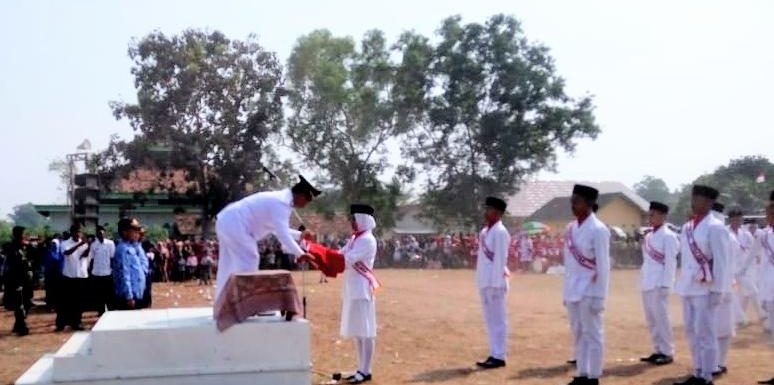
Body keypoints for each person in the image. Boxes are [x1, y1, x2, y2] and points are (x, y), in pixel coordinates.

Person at [214, 175, 317, 300]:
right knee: (250, 258)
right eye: (307, 200)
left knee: (228, 264)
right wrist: (300, 253)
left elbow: (276, 229)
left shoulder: (282, 202)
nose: (305, 204)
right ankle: (246, 302)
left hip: (227, 220)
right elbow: (282, 233)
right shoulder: (280, 204)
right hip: (236, 224)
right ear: (300, 195)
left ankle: (222, 302)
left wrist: (300, 235)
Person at [673, 185, 729, 385]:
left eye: (698, 199)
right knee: (691, 330)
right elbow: (686, 258)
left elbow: (722, 262)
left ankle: (706, 376)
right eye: (693, 198)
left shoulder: (716, 227)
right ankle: (697, 371)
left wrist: (717, 291)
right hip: (689, 286)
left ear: (708, 203)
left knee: (706, 332)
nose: (693, 202)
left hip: (706, 289)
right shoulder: (688, 227)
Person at [563, 185, 610, 385]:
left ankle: (594, 376)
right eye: (572, 201)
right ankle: (582, 373)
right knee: (578, 333)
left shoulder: (599, 229)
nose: (573, 205)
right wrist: (565, 292)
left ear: (589, 204)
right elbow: (569, 264)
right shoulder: (571, 228)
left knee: (593, 334)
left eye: (577, 201)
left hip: (590, 290)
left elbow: (604, 265)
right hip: (573, 289)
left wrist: (600, 296)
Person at [331, 204, 380, 384]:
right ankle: (361, 368)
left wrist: (326, 259)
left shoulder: (367, 240)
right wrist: (321, 254)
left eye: (353, 219)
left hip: (362, 289)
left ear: (362, 219)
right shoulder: (355, 238)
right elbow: (340, 254)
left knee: (366, 332)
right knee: (359, 332)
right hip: (353, 287)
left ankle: (366, 371)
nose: (351, 222)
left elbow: (347, 260)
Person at [638, 201, 679, 366]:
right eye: (650, 214)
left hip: (659, 283)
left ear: (663, 216)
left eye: (653, 214)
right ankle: (658, 349)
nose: (650, 217)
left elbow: (671, 262)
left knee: (661, 318)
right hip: (647, 281)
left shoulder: (669, 236)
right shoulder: (648, 236)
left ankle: (667, 351)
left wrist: (666, 284)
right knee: (651, 318)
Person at [474, 197, 512, 370]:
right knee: (490, 320)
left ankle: (500, 355)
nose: (486, 212)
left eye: (489, 209)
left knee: (499, 320)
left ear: (497, 212)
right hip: (485, 281)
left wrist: (496, 283)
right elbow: (483, 259)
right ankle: (494, 352)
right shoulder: (485, 232)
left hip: (496, 283)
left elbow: (500, 259)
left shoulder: (501, 232)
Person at [710, 203, 734, 378]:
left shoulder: (720, 232)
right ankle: (717, 361)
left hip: (721, 287)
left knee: (720, 328)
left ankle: (718, 362)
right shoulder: (726, 233)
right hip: (722, 287)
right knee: (719, 327)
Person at [57, 225, 90, 331]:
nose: (78, 234)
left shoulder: (84, 244)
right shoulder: (65, 243)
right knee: (68, 301)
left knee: (80, 302)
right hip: (69, 276)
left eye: (79, 232)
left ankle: (77, 322)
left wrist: (88, 246)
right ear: (71, 232)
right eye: (76, 232)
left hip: (81, 275)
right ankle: (63, 322)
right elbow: (67, 253)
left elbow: (85, 256)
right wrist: (80, 244)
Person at [2, 226, 34, 336]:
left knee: (26, 303)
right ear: (19, 235)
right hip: (16, 280)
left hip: (25, 279)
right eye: (24, 234)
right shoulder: (12, 247)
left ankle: (18, 324)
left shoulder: (25, 247)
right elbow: (13, 264)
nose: (26, 236)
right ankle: (22, 326)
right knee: (19, 303)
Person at [112, 218, 148, 310]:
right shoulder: (123, 249)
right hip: (129, 297)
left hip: (137, 293)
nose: (138, 232)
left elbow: (143, 265)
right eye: (134, 230)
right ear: (124, 232)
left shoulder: (133, 246)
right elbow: (124, 274)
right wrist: (129, 296)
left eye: (138, 230)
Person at [757, 195, 774, 385]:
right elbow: (760, 263)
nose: (770, 216)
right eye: (768, 213)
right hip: (770, 289)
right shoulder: (765, 235)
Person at [88, 225, 115, 315]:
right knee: (99, 295)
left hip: (107, 273)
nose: (100, 235)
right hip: (97, 273)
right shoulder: (93, 245)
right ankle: (101, 312)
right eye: (98, 233)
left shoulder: (110, 244)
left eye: (102, 233)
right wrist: (90, 271)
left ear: (104, 233)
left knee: (109, 295)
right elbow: (91, 259)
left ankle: (110, 311)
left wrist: (113, 270)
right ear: (96, 234)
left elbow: (112, 258)